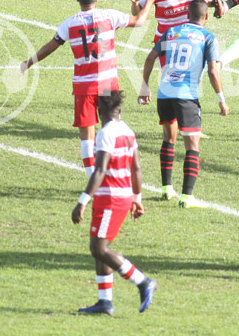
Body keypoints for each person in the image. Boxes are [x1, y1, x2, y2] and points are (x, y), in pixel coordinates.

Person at [20, 0, 157, 177]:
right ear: (97, 0)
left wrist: (29, 62)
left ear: (78, 0)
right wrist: (150, 0)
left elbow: (50, 47)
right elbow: (140, 20)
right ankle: (116, 172)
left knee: (87, 137)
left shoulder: (69, 24)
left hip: (84, 87)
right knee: (112, 128)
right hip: (107, 85)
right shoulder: (109, 16)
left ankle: (93, 178)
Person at [71, 90, 157, 315]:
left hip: (111, 198)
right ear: (118, 110)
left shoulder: (105, 134)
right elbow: (136, 168)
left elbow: (99, 170)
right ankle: (105, 302)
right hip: (122, 196)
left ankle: (143, 281)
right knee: (100, 247)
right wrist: (137, 199)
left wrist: (82, 201)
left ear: (100, 111)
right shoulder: (127, 131)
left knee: (99, 248)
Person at [138, 0, 229, 208]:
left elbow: (151, 57)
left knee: (168, 138)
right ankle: (187, 197)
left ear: (188, 15)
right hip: (186, 97)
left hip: (164, 94)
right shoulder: (208, 37)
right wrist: (221, 100)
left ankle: (166, 188)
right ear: (206, 16)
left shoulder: (172, 32)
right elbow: (213, 71)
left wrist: (144, 86)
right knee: (192, 145)